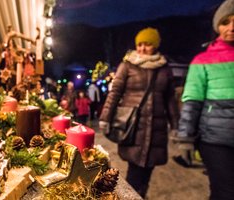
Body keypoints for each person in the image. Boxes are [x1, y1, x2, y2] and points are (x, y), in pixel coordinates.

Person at [99, 27, 179, 198]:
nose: (142, 48)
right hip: (133, 126)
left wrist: (176, 125)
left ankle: (141, 194)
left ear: (155, 45)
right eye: (139, 44)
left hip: (156, 127)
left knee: (148, 170)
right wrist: (105, 118)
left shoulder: (164, 68)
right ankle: (134, 196)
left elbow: (170, 99)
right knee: (135, 170)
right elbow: (115, 93)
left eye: (147, 44)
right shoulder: (127, 65)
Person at [172, 1, 234, 199]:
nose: (232, 27)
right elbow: (192, 101)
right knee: (225, 191)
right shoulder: (203, 61)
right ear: (218, 26)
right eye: (226, 22)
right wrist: (186, 139)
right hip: (214, 140)